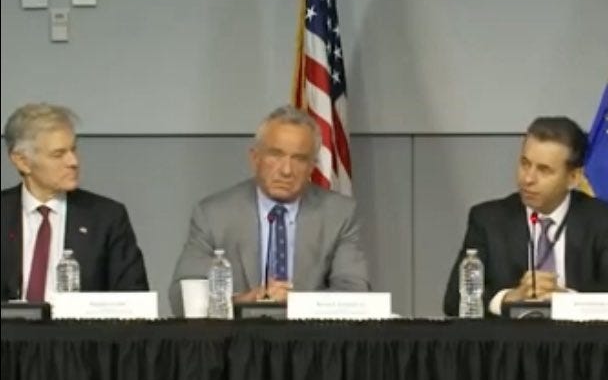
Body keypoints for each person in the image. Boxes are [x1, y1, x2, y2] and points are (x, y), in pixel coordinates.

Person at [168, 105, 370, 315]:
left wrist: (296, 302)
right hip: (237, 333)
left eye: (299, 159)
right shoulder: (214, 214)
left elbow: (355, 294)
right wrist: (239, 302)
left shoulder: (339, 214)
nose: (286, 170)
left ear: (312, 166)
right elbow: (182, 297)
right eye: (276, 155)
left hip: (310, 333)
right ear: (255, 158)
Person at [443, 116, 608, 316]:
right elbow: (454, 301)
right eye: (525, 164)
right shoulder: (488, 220)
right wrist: (509, 298)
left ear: (573, 178)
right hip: (510, 336)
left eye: (544, 170)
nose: (528, 178)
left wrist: (567, 301)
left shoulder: (603, 220)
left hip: (579, 335)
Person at [1, 103, 149, 301]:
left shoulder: (106, 217)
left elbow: (134, 299)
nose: (73, 162)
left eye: (73, 150)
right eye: (58, 154)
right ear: (22, 161)